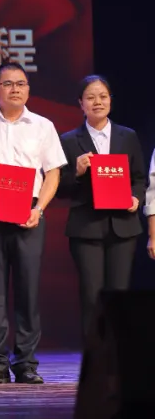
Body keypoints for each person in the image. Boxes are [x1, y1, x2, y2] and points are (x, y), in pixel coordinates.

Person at [0, 61, 66, 385]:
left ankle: (26, 364)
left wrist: (39, 208)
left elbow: (53, 173)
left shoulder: (43, 126)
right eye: (8, 84)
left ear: (28, 90)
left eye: (21, 84)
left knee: (27, 290)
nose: (15, 89)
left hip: (28, 213)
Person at [57, 75, 146, 338]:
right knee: (92, 295)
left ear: (110, 101)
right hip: (86, 228)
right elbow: (59, 188)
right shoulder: (69, 140)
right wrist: (77, 171)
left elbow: (139, 178)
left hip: (123, 227)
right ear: (80, 103)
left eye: (103, 96)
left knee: (119, 294)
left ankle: (118, 353)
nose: (98, 102)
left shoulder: (127, 136)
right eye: (91, 97)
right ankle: (95, 355)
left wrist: (135, 198)